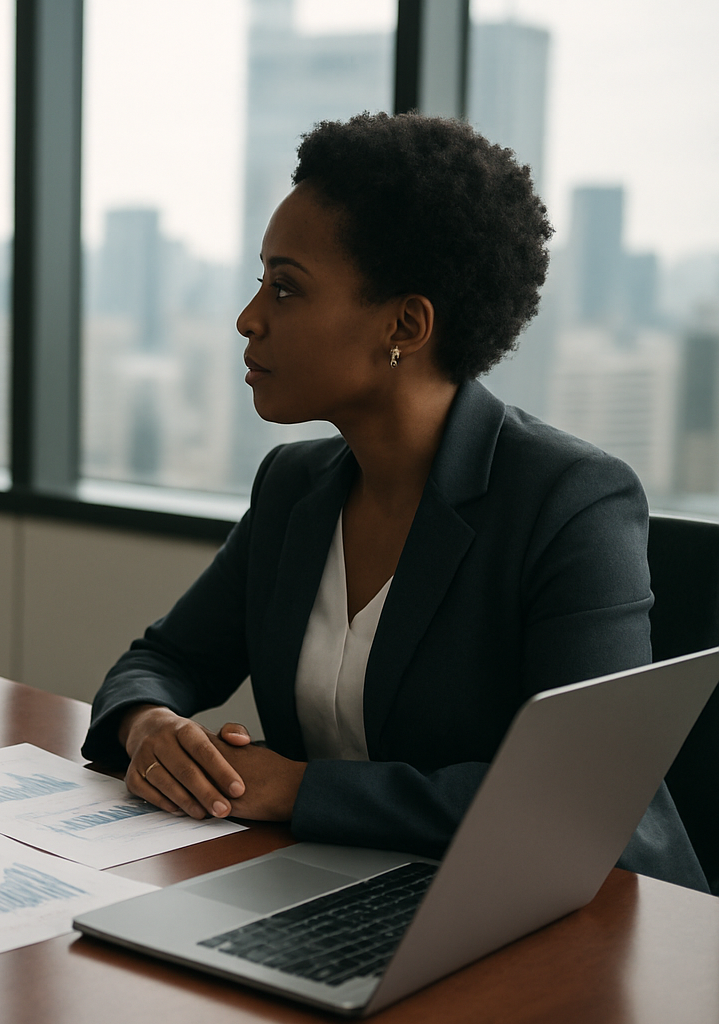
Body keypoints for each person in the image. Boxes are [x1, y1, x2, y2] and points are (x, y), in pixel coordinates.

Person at [82, 113, 707, 891]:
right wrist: (151, 728)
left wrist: (301, 788)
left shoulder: (571, 502)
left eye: (286, 287)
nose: (249, 319)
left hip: (572, 923)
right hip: (344, 892)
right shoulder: (293, 489)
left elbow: (580, 802)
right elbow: (164, 659)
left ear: (404, 325)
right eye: (260, 283)